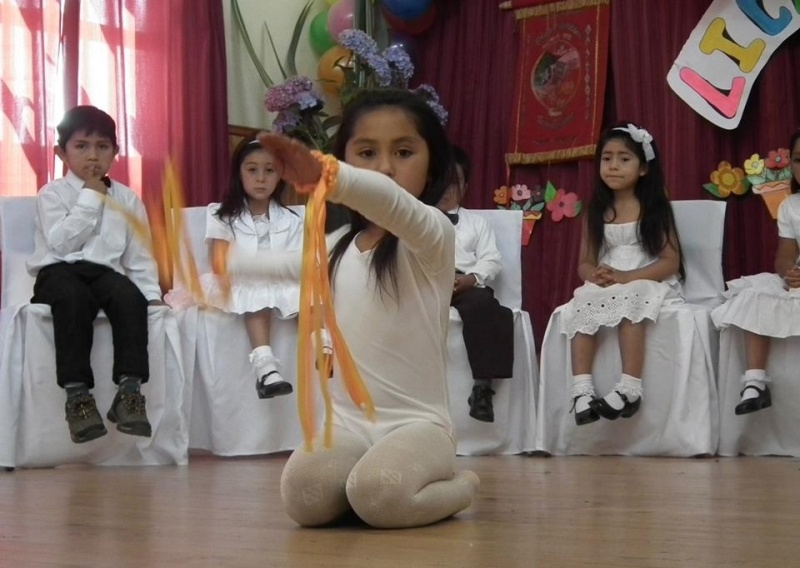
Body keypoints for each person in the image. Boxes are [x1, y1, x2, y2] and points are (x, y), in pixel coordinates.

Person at [229, 89, 479, 529]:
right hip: (347, 426)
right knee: (303, 498)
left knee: (380, 496)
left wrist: (332, 176)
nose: (384, 167)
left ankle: (461, 487)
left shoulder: (432, 235)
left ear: (432, 162)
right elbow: (284, 266)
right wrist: (214, 265)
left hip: (417, 428)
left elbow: (391, 202)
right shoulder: (338, 248)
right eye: (366, 152)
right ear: (346, 155)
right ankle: (361, 484)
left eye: (403, 152)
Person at [26, 105, 162, 444]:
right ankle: (78, 397)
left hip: (104, 273)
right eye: (82, 146)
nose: (92, 156)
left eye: (102, 147)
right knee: (73, 299)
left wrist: (153, 295)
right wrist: (91, 196)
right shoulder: (52, 194)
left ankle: (129, 392)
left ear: (115, 153)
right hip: (59, 272)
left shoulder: (128, 199)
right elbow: (60, 243)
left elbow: (139, 255)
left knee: (130, 297)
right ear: (62, 153)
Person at [561, 122, 683, 426]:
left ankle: (630, 387)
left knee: (631, 301)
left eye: (624, 159)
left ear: (643, 168)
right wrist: (595, 274)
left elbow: (670, 260)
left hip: (645, 276)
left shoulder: (654, 207)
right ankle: (582, 391)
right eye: (607, 158)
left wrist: (630, 277)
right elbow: (584, 263)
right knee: (582, 301)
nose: (613, 166)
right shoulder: (595, 210)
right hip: (611, 278)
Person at [203, 135, 302, 399]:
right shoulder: (220, 214)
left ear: (279, 175)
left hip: (282, 279)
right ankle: (265, 367)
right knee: (257, 292)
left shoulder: (293, 219)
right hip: (240, 279)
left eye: (269, 171)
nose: (261, 178)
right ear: (239, 173)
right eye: (252, 170)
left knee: (311, 292)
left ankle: (322, 346)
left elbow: (299, 261)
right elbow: (219, 262)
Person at [711, 130, 800, 415]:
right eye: (798, 160)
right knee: (755, 294)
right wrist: (789, 273)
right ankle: (755, 383)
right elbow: (785, 255)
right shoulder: (790, 206)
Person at [437, 145, 513, 423]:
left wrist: (471, 279)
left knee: (486, 306)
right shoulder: (415, 219)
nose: (445, 190)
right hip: (427, 282)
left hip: (465, 283)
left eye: (453, 183)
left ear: (465, 187)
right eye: (439, 181)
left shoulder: (477, 223)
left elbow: (491, 259)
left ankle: (482, 387)